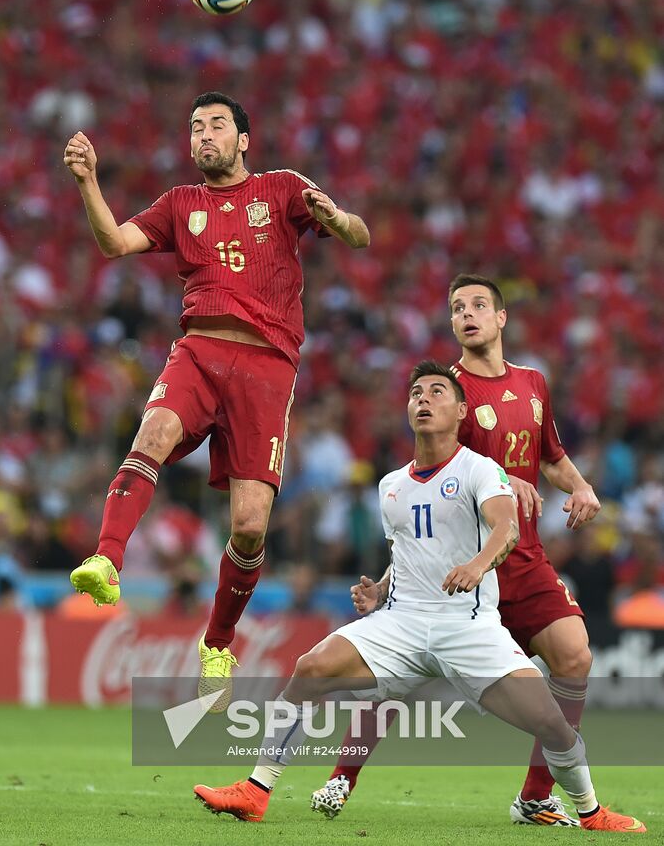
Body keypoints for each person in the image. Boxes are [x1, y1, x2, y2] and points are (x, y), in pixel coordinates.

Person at [193, 363, 644, 834]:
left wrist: (478, 564)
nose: (423, 400)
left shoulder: (481, 468)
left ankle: (591, 812)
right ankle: (256, 790)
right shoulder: (391, 486)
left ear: (461, 410)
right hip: (403, 624)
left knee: (553, 726)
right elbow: (407, 553)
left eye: (436, 393)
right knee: (310, 668)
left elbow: (507, 527)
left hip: (466, 627)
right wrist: (380, 591)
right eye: (415, 394)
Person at [62, 91, 370, 702]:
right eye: (196, 127)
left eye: (217, 125)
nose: (204, 135)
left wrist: (333, 217)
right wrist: (89, 182)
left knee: (251, 528)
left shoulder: (282, 188)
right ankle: (107, 561)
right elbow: (114, 244)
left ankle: (218, 642)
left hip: (267, 367)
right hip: (199, 349)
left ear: (243, 139)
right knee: (150, 435)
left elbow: (359, 236)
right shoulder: (180, 204)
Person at [314, 273, 601, 826]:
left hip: (526, 556)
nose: (465, 314)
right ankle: (342, 777)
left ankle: (537, 797)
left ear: (500, 319)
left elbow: (550, 455)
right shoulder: (448, 392)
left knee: (575, 657)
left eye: (477, 305)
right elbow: (429, 487)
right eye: (455, 308)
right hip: (461, 568)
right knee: (395, 677)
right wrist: (500, 481)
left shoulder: (534, 383)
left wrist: (581, 486)